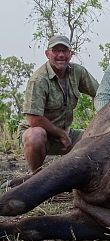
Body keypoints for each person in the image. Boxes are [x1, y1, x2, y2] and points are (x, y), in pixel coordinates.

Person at [20, 35, 99, 173]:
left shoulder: (78, 72)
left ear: (71, 54)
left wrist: (100, 120)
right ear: (47, 53)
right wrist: (61, 134)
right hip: (41, 134)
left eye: (65, 51)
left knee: (96, 138)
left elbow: (100, 94)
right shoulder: (38, 80)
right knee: (35, 135)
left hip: (66, 133)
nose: (61, 55)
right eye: (56, 50)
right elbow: (34, 119)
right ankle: (35, 176)